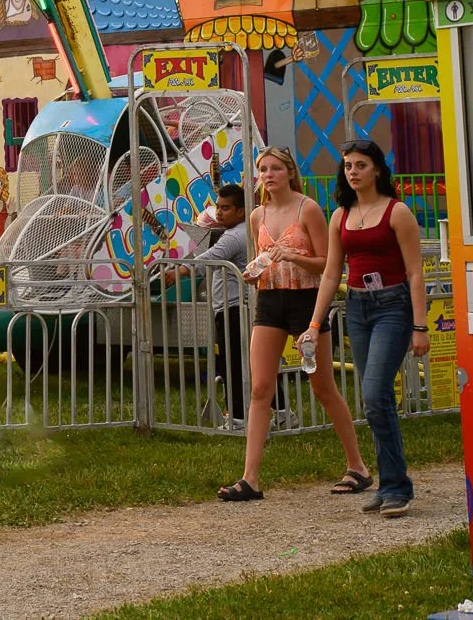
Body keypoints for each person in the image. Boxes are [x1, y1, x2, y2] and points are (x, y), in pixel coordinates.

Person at [218, 145, 370, 503]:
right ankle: (250, 478)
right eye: (262, 170)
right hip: (270, 301)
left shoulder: (308, 209)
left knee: (322, 388)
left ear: (289, 172)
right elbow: (260, 260)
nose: (268, 175)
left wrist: (292, 256)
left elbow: (328, 264)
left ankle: (358, 466)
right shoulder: (257, 215)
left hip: (306, 301)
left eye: (274, 169)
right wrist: (254, 273)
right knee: (260, 388)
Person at [309, 139, 429, 517]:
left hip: (393, 307)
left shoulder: (397, 212)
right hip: (358, 307)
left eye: (361, 165)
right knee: (374, 400)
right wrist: (315, 323)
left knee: (377, 393)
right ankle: (388, 484)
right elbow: (331, 272)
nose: (353, 172)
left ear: (377, 169)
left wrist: (420, 326)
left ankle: (397, 487)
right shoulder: (340, 215)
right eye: (347, 166)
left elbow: (415, 272)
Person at [155, 183, 266, 429]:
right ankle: (278, 411)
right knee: (248, 363)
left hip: (235, 308)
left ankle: (238, 417)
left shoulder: (235, 235)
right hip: (230, 307)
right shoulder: (238, 231)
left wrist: (180, 270)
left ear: (240, 211)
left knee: (234, 363)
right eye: (218, 206)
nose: (219, 212)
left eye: (226, 208)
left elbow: (212, 257)